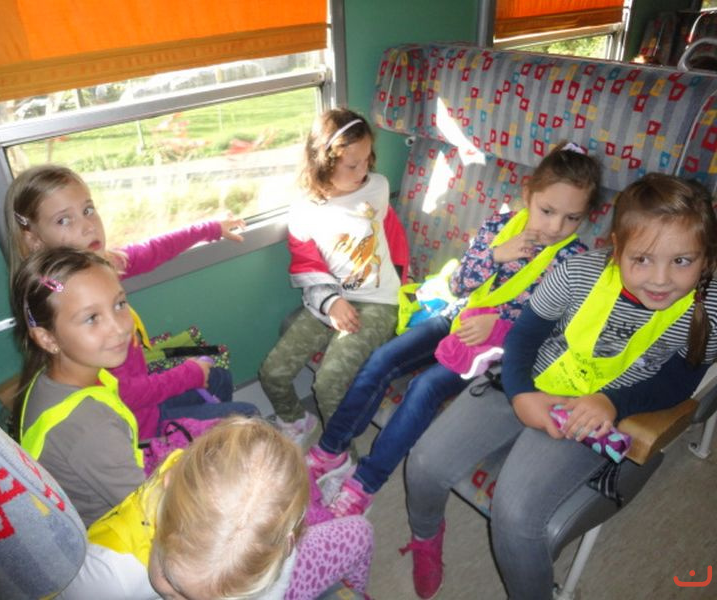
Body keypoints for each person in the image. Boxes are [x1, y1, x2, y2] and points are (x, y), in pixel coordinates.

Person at [402, 173, 717, 599]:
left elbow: (681, 378)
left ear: (705, 257)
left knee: (517, 518)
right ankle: (425, 539)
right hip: (530, 379)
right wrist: (521, 394)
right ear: (617, 247)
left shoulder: (709, 305)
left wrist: (613, 402)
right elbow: (524, 337)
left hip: (592, 411)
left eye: (682, 261)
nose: (660, 279)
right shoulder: (578, 272)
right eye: (642, 259)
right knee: (424, 462)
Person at [306, 141, 602, 517]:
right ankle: (329, 451)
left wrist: (502, 322)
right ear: (528, 195)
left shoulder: (575, 260)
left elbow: (558, 327)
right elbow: (460, 285)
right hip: (457, 318)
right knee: (382, 359)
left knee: (425, 387)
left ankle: (365, 482)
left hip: (497, 349)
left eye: (572, 218)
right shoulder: (499, 226)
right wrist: (497, 255)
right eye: (547, 211)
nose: (556, 227)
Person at [5, 164, 256, 439]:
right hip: (140, 427)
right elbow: (126, 393)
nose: (88, 226)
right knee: (249, 415)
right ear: (35, 240)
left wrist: (210, 229)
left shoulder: (100, 265)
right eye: (64, 220)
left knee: (219, 378)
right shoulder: (70, 316)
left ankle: (216, 451)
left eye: (88, 210)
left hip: (147, 403)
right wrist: (189, 374)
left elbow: (153, 250)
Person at [59, 416, 375, 600]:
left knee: (360, 531)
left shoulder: (269, 528)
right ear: (168, 486)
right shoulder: (107, 576)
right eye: (174, 586)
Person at [258, 107, 409, 443]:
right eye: (352, 165)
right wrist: (331, 303)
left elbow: (392, 237)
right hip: (331, 299)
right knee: (272, 372)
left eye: (367, 160)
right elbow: (306, 266)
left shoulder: (378, 187)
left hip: (379, 302)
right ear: (323, 163)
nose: (364, 171)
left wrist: (403, 282)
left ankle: (338, 455)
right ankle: (295, 421)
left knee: (328, 383)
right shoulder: (304, 210)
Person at [11, 248, 146, 526]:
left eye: (119, 304)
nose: (119, 328)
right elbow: (155, 513)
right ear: (48, 339)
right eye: (91, 318)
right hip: (119, 534)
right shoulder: (90, 429)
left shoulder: (50, 376)